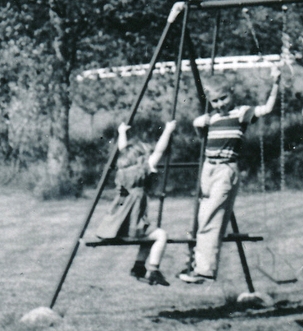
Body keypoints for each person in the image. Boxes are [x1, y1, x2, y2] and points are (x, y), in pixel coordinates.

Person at [179, 65, 280, 283]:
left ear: (231, 92)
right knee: (199, 217)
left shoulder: (241, 113)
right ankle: (192, 263)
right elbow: (200, 131)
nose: (220, 104)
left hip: (225, 169)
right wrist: (198, 125)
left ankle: (204, 270)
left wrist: (276, 83)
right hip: (208, 168)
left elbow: (267, 109)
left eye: (223, 98)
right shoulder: (212, 118)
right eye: (215, 101)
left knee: (211, 218)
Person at [95, 119, 177, 286]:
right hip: (133, 226)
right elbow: (160, 150)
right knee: (160, 235)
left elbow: (123, 149)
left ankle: (138, 268)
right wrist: (168, 130)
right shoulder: (142, 170)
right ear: (141, 158)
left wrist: (122, 132)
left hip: (117, 226)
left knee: (149, 236)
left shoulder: (122, 171)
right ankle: (153, 270)